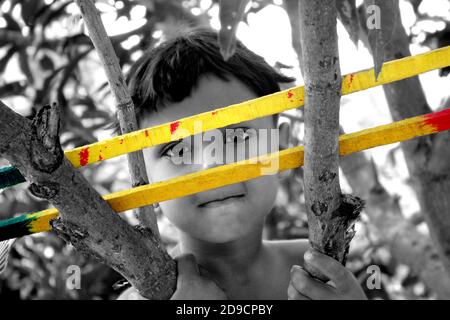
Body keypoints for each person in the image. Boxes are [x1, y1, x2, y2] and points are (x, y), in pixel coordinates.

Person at [115, 27, 366, 300]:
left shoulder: (320, 270)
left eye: (238, 137)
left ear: (279, 149)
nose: (212, 165)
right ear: (142, 177)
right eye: (177, 150)